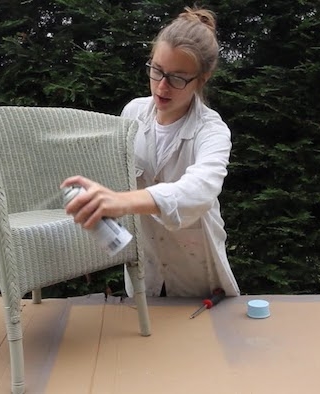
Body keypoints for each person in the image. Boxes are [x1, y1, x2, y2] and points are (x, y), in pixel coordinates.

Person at [61, 6, 240, 298]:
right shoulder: (133, 113)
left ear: (202, 78)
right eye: (157, 70)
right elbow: (118, 179)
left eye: (178, 78)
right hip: (147, 267)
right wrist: (96, 205)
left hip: (199, 268)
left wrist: (122, 201)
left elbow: (200, 190)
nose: (162, 86)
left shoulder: (212, 131)